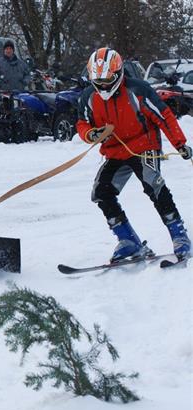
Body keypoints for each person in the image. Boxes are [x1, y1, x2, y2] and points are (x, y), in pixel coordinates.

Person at [76, 47, 191, 262]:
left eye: (107, 80)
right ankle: (128, 241)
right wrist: (91, 134)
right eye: (98, 80)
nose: (102, 85)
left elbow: (164, 116)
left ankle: (179, 236)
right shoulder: (88, 97)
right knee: (101, 192)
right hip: (114, 151)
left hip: (144, 144)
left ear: (119, 74)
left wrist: (180, 143)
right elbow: (82, 123)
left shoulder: (139, 90)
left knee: (152, 184)